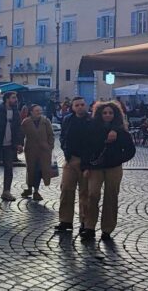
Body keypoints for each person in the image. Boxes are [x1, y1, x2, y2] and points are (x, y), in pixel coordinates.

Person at [80, 102, 136, 242]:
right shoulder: (91, 128)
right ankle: (89, 226)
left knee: (111, 197)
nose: (107, 115)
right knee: (92, 195)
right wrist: (85, 166)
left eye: (110, 113)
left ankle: (107, 229)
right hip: (95, 167)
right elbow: (86, 149)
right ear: (99, 114)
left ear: (115, 114)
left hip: (113, 168)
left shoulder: (121, 131)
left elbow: (130, 150)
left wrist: (118, 159)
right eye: (105, 113)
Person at [56, 97, 94, 232]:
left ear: (86, 106)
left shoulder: (92, 121)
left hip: (86, 161)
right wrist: (65, 149)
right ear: (72, 107)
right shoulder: (67, 120)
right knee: (66, 189)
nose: (80, 107)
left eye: (82, 104)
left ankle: (84, 222)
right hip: (70, 159)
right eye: (77, 105)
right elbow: (63, 137)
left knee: (85, 193)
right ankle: (65, 221)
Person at [20, 104, 55, 201]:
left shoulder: (45, 121)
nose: (39, 112)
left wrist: (50, 147)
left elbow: (51, 135)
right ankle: (29, 188)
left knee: (40, 170)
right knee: (31, 169)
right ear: (31, 112)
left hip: (44, 151)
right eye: (37, 110)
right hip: (31, 150)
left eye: (40, 110)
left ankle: (36, 190)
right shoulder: (26, 122)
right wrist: (19, 145)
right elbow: (21, 134)